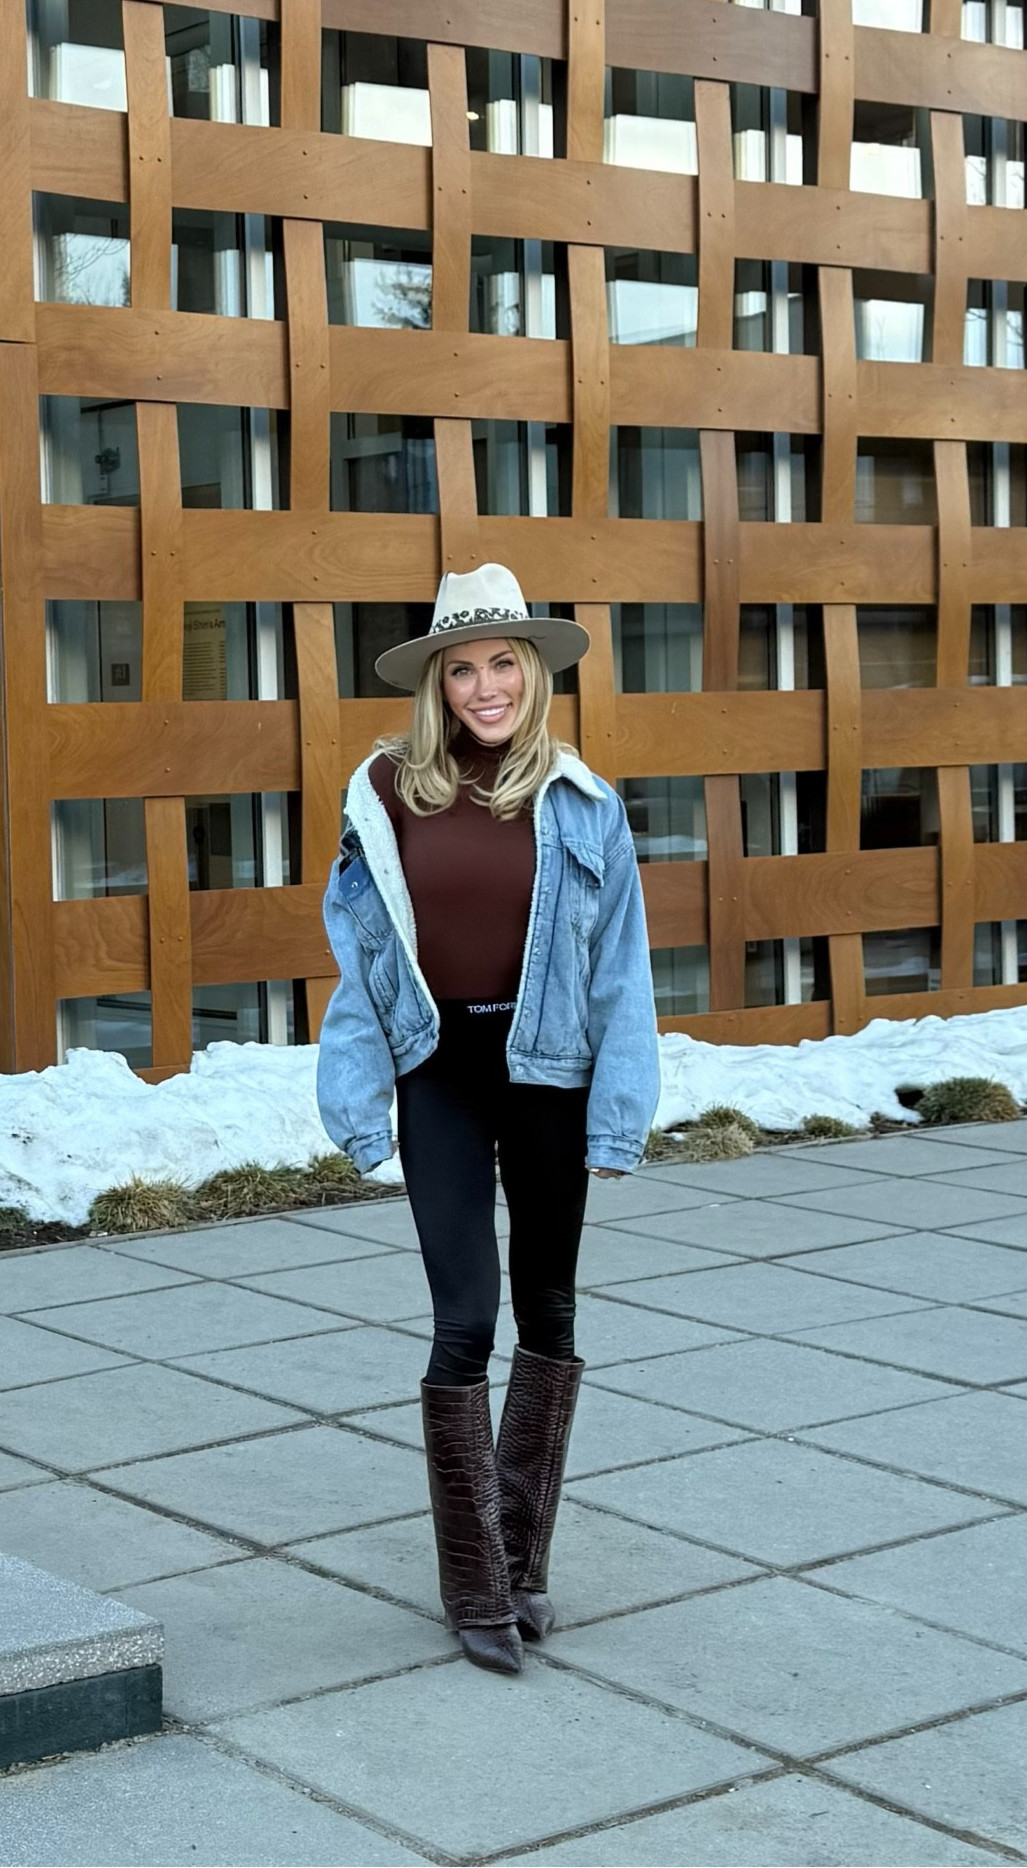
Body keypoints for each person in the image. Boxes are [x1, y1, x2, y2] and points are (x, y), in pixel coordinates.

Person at [317, 563, 660, 1676]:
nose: (485, 686)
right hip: (443, 1075)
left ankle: (522, 1565)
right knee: (464, 1320)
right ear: (438, 684)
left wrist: (620, 1113)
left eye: (502, 662)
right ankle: (474, 1582)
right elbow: (361, 957)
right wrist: (354, 1092)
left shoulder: (584, 802)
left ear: (533, 673)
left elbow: (622, 973)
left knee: (548, 1314)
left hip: (552, 1073)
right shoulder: (385, 788)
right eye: (461, 669)